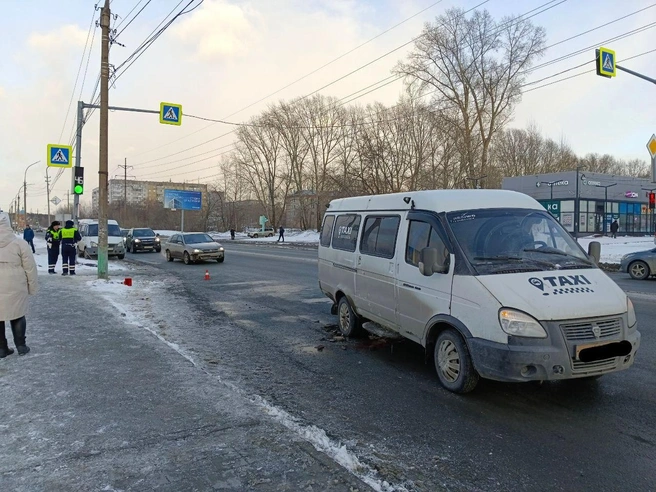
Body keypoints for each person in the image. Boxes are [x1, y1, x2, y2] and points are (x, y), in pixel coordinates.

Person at [0, 212, 38, 357]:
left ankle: (2, 349)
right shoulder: (19, 244)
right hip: (15, 284)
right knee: (17, 314)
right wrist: (32, 287)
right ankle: (21, 346)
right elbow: (30, 267)